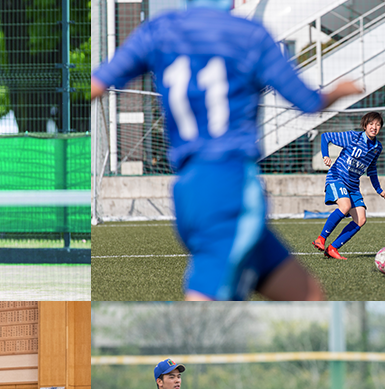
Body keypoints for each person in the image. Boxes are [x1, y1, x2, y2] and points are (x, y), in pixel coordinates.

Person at [89, 0, 362, 301]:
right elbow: (308, 102)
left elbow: (97, 84)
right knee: (203, 308)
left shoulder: (158, 30)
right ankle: (162, 348)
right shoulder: (250, 35)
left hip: (189, 188)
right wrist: (340, 90)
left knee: (309, 295)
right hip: (229, 187)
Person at [313, 112, 385, 259]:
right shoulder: (353, 137)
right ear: (365, 125)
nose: (374, 127)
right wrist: (325, 155)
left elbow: (372, 170)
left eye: (378, 124)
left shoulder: (377, 147)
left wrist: (379, 190)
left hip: (353, 185)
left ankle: (332, 248)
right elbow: (325, 137)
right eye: (371, 124)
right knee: (345, 206)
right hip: (337, 178)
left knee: (361, 219)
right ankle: (321, 238)